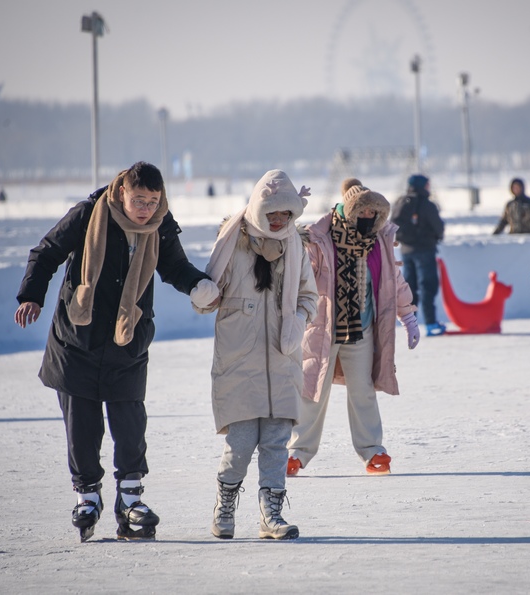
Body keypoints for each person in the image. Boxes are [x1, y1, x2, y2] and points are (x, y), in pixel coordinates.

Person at [14, 161, 213, 542]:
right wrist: (31, 296)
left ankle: (131, 500)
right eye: (139, 200)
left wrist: (199, 286)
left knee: (129, 423)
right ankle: (87, 497)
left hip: (128, 339)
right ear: (123, 191)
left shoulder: (161, 223)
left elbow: (175, 267)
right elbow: (48, 251)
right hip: (78, 337)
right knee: (82, 425)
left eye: (153, 201)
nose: (146, 209)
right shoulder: (90, 212)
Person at [190, 169, 318, 541]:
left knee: (277, 443)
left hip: (282, 358)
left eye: (285, 214)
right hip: (238, 359)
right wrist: (204, 294)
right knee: (241, 444)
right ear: (258, 209)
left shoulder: (295, 246)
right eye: (272, 213)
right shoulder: (234, 242)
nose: (278, 220)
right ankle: (225, 504)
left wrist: (297, 317)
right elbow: (209, 296)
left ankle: (271, 515)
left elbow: (309, 296)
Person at [287, 178, 419, 477]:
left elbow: (392, 282)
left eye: (373, 214)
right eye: (362, 212)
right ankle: (296, 452)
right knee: (312, 391)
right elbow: (300, 279)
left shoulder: (379, 240)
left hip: (362, 329)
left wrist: (407, 315)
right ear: (349, 210)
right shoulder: (320, 237)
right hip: (322, 327)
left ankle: (373, 452)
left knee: (363, 391)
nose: (367, 218)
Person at [391, 173, 446, 336]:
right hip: (425, 250)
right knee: (428, 287)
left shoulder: (401, 202)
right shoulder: (427, 204)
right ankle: (430, 323)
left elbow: (393, 224)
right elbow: (438, 227)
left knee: (410, 289)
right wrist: (436, 237)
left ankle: (411, 324)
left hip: (407, 251)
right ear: (423, 186)